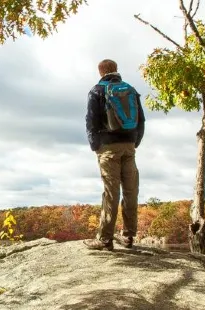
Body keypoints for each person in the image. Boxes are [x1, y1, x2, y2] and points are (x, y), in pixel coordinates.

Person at [83, 59, 145, 251]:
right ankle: (129, 237)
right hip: (129, 147)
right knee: (130, 191)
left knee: (111, 193)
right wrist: (135, 141)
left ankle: (105, 239)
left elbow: (91, 121)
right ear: (116, 70)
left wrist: (96, 146)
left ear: (100, 72)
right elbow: (141, 120)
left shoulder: (96, 91)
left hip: (108, 148)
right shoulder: (131, 89)